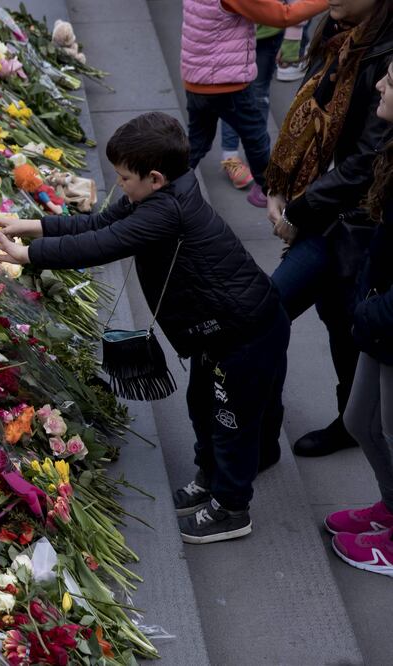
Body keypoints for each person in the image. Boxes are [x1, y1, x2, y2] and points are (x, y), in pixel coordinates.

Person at [0, 112, 290, 545]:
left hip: (244, 332)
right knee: (202, 403)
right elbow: (99, 223)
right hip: (218, 330)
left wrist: (27, 256)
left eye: (125, 178)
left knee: (231, 418)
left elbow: (100, 245)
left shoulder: (167, 212)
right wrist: (33, 227)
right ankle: (210, 474)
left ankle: (231, 506)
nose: (120, 185)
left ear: (155, 178)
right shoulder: (156, 195)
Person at [265, 0, 393, 458]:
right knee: (278, 314)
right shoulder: (337, 32)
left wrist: (299, 212)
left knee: (333, 321)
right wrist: (279, 186)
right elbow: (308, 110)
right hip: (321, 213)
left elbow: (366, 163)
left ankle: (351, 424)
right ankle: (267, 433)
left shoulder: (384, 51)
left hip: (354, 223)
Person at [328, 56, 393, 576]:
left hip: (389, 318)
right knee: (361, 421)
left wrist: (374, 310)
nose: (379, 87)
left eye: (390, 82)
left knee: (389, 429)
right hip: (381, 315)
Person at [180, 0, 327, 208]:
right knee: (255, 135)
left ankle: (166, 187)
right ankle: (270, 190)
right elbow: (283, 16)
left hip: (196, 79)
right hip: (227, 84)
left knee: (197, 141)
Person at [220, 24, 287, 189]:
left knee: (259, 94)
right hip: (231, 33)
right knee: (232, 93)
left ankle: (258, 157)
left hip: (268, 31)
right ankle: (231, 157)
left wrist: (291, 39)